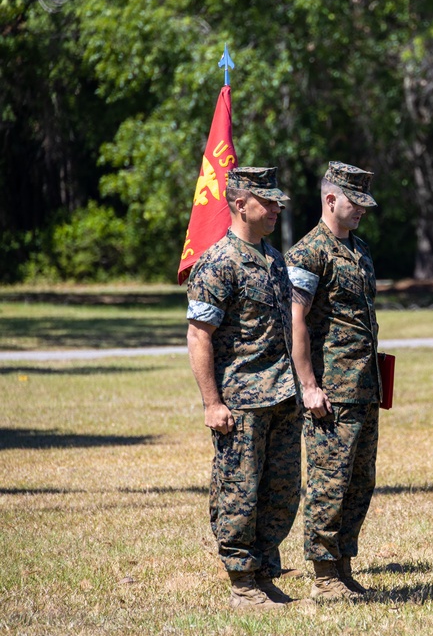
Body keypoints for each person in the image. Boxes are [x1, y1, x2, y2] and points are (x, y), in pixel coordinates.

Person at [185, 166, 301, 609]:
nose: (276, 209)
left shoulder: (273, 258)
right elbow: (199, 336)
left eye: (277, 202)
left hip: (282, 395)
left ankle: (265, 570)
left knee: (282, 489)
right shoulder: (218, 263)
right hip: (242, 400)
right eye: (267, 202)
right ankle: (241, 580)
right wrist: (212, 403)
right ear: (240, 204)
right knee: (239, 489)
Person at [285, 162, 382, 601]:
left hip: (363, 386)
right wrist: (308, 384)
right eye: (354, 201)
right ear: (330, 199)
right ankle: (325, 573)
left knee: (360, 480)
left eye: (365, 202)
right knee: (329, 480)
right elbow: (295, 321)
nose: (361, 210)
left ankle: (343, 563)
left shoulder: (359, 250)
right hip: (330, 390)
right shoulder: (309, 253)